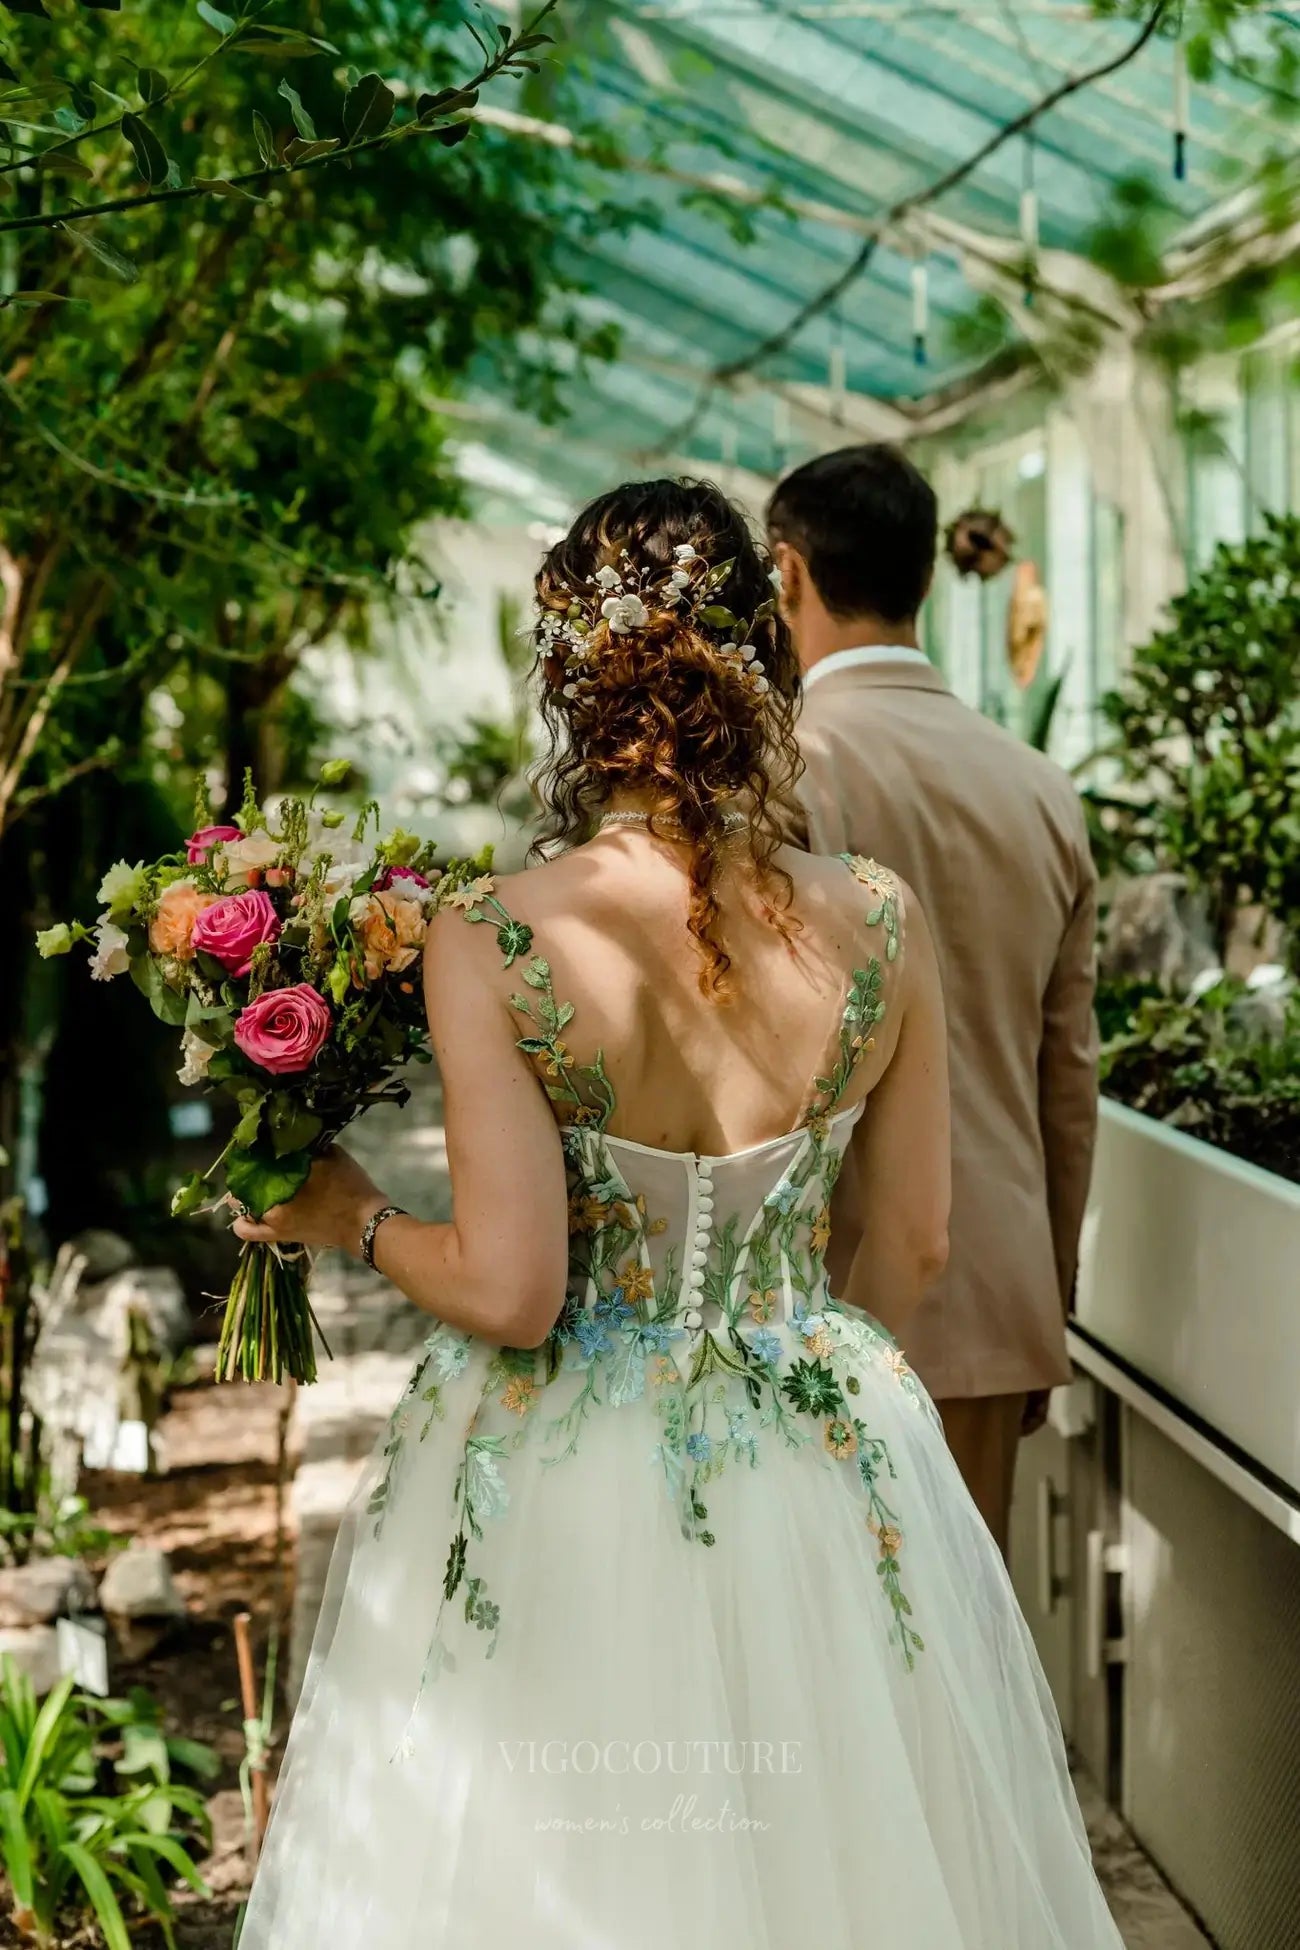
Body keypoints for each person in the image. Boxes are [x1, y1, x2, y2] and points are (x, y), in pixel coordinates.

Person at [235, 479, 1120, 1947]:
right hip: (826, 1453)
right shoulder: (879, 921)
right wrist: (796, 1384)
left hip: (556, 1466)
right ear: (760, 654)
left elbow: (516, 1291)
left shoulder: (503, 932)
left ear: (574, 683)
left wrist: (353, 1218)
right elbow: (911, 1245)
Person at [768, 444, 1099, 1558]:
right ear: (924, 572)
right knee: (969, 1672)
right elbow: (1068, 1080)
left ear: (787, 575)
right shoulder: (1041, 788)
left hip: (814, 1300)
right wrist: (1044, 1299)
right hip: (998, 1294)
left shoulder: (784, 775)